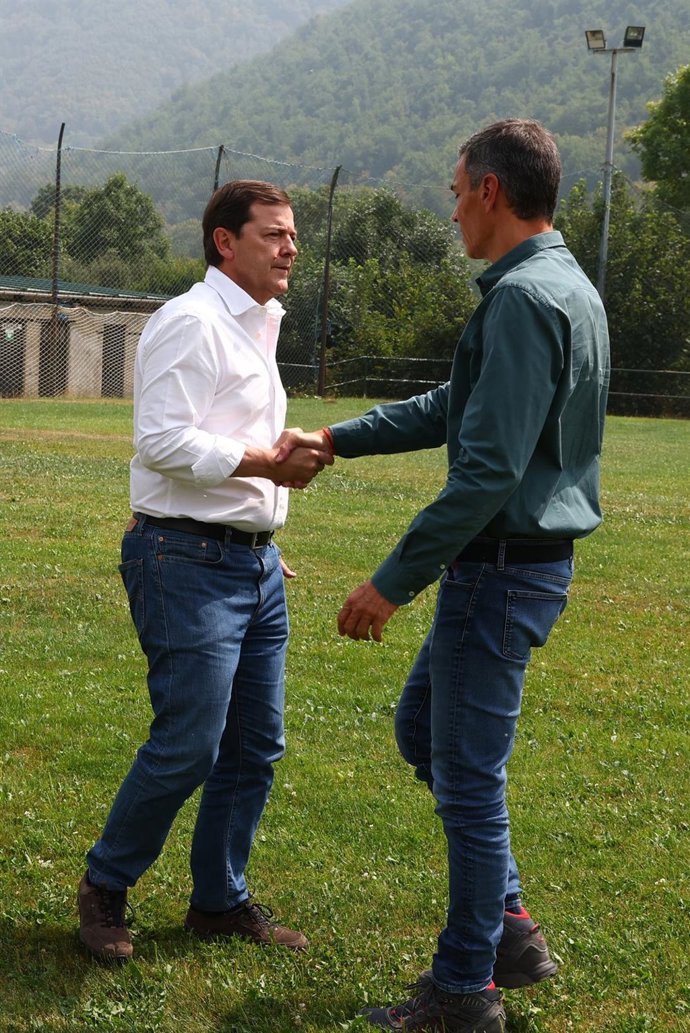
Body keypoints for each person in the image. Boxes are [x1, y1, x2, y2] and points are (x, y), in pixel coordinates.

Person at [276, 120, 610, 1032]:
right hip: (528, 570)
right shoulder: (563, 286)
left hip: (498, 573)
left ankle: (467, 989)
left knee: (466, 779)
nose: (452, 205)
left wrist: (391, 580)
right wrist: (339, 438)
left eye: (457, 188)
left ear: (492, 191)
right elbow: (455, 407)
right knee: (424, 728)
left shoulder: (519, 301)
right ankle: (508, 927)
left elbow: (488, 472)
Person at [78, 179, 334, 963]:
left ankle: (219, 901)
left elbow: (224, 436)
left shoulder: (259, 323)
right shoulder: (191, 323)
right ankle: (105, 884)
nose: (291, 247)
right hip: (183, 560)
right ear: (226, 241)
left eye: (293, 235)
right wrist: (266, 466)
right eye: (275, 235)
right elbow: (163, 441)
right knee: (191, 739)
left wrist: (258, 532)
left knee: (256, 743)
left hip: (248, 565)